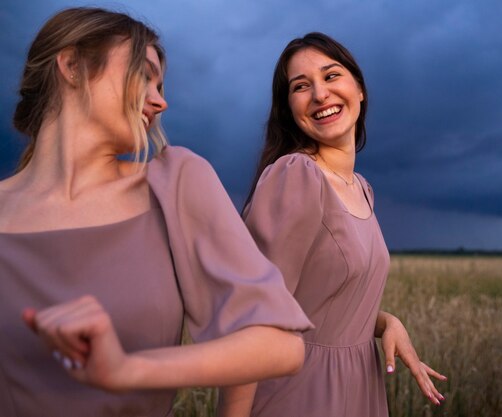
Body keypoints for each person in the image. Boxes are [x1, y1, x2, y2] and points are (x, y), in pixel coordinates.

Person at [0, 7, 313, 417]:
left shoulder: (176, 183)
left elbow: (280, 346)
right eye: (144, 74)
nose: (160, 101)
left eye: (161, 84)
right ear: (72, 65)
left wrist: (127, 369)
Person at [218, 33, 447, 417]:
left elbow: (319, 301)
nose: (320, 95)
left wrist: (387, 321)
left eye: (331, 76)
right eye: (301, 86)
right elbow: (254, 319)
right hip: (301, 393)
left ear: (360, 90)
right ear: (290, 108)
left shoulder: (363, 189)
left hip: (359, 388)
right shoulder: (296, 176)